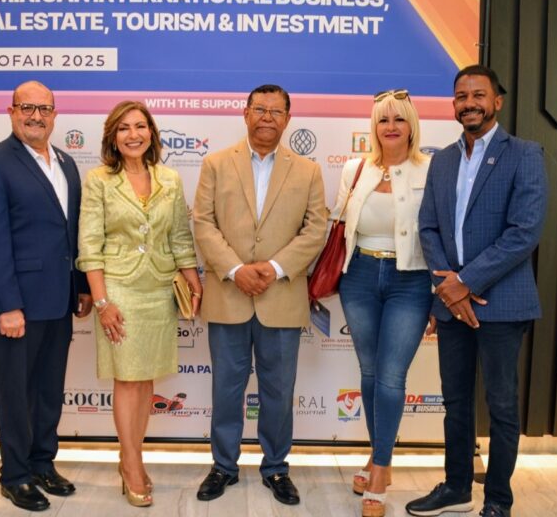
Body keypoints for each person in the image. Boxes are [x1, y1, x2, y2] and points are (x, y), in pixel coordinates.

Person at [408, 65, 547, 517]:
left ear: (497, 101)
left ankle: (498, 500)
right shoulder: (443, 159)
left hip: (503, 304)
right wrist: (449, 287)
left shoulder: (524, 154)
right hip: (451, 305)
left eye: (478, 95)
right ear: (453, 105)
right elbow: (427, 226)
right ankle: (456, 487)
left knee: (502, 404)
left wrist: (466, 283)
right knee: (455, 402)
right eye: (461, 96)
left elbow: (523, 232)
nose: (469, 103)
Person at [193, 84, 327, 506]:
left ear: (288, 118)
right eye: (260, 109)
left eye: (276, 111)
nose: (267, 117)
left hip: (282, 296)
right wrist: (235, 270)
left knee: (278, 390)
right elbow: (203, 223)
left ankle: (276, 468)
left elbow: (316, 229)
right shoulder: (216, 163)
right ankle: (223, 466)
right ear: (245, 113)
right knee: (226, 389)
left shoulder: (308, 170)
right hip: (228, 295)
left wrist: (273, 268)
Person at [0, 81, 92, 512]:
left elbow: (71, 233)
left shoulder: (66, 163)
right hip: (17, 304)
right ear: (11, 111)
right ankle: (15, 475)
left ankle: (42, 462)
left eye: (44, 108)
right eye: (27, 107)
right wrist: (6, 305)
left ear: (55, 114)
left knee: (47, 391)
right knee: (15, 393)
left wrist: (80, 288)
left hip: (58, 301)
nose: (36, 115)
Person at [76, 101, 202, 507]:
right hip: (119, 290)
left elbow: (180, 238)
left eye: (141, 126)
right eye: (124, 128)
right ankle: (131, 461)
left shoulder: (169, 177)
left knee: (145, 379)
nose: (134, 134)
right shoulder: (98, 180)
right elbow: (89, 247)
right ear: (113, 136)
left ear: (152, 132)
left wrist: (193, 280)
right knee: (127, 379)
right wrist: (102, 302)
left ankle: (131, 454)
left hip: (159, 290)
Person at [332, 89, 433, 517]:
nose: (390, 126)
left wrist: (438, 294)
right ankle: (379, 456)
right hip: (358, 278)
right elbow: (340, 223)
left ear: (412, 125)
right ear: (373, 127)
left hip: (411, 280)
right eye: (382, 120)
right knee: (370, 373)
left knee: (391, 376)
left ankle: (380, 469)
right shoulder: (355, 169)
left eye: (399, 119)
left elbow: (440, 232)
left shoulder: (432, 169)